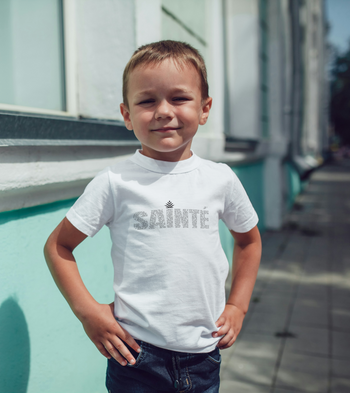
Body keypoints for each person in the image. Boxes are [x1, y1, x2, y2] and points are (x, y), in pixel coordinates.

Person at [44, 40, 262, 393]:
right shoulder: (115, 183)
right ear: (127, 115)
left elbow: (249, 241)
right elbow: (58, 246)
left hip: (203, 357)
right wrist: (88, 312)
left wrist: (238, 304)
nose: (163, 111)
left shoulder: (220, 179)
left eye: (179, 98)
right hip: (134, 357)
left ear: (205, 109)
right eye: (147, 101)